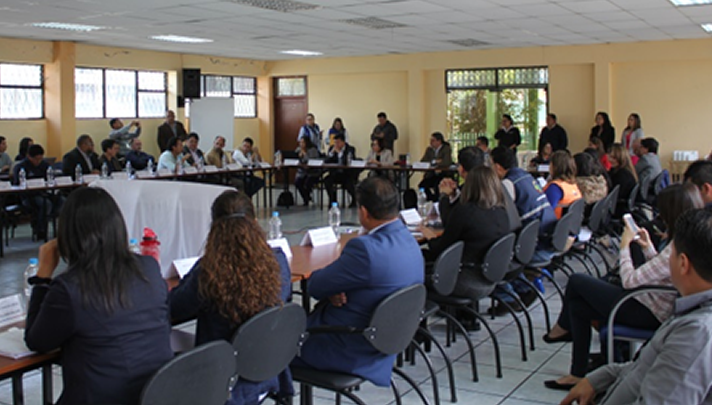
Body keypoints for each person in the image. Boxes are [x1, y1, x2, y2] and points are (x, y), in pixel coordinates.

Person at [544, 183, 702, 391]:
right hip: (648, 301)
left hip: (648, 310)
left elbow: (630, 281)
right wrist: (648, 247)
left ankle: (562, 330)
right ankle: (576, 373)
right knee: (577, 307)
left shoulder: (677, 246)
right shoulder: (687, 241)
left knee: (577, 281)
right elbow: (662, 271)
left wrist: (624, 246)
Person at [24, 188, 173, 405]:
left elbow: (37, 341)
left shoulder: (70, 288)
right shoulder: (148, 267)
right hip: (153, 395)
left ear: (68, 236)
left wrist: (42, 276)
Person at [292, 177, 424, 387]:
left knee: (274, 346)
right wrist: (335, 288)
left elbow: (314, 286)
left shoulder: (364, 249)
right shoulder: (409, 238)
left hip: (348, 346)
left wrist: (332, 286)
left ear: (363, 212)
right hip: (389, 339)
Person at [169, 190, 293, 404]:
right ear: (255, 223)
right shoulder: (278, 262)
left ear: (214, 229)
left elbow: (175, 307)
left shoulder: (209, 272)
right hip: (267, 371)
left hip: (222, 381)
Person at [421, 166, 511, 300]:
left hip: (463, 280)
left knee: (417, 265)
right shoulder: (502, 213)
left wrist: (430, 238)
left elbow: (441, 249)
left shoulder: (466, 212)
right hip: (489, 278)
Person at [491, 146, 558, 314]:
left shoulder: (508, 184)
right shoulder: (527, 176)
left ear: (498, 167)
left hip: (535, 245)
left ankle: (509, 299)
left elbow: (502, 216)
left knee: (494, 257)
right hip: (546, 237)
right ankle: (524, 289)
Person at [12, 145, 58, 239]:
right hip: (28, 196)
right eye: (36, 159)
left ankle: (54, 226)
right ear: (29, 157)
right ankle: (40, 229)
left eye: (41, 159)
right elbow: (17, 184)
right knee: (45, 204)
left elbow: (51, 179)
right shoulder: (20, 167)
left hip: (44, 193)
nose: (38, 161)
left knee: (62, 201)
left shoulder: (45, 165)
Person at [544, 150, 582, 218]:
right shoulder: (573, 185)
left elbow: (546, 211)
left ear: (555, 167)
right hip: (571, 223)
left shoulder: (555, 188)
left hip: (554, 222)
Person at [324, 133, 357, 208]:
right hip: (336, 173)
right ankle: (333, 200)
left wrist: (340, 153)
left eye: (338, 142)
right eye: (335, 142)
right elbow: (326, 161)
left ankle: (354, 200)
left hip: (347, 173)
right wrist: (331, 153)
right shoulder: (332, 148)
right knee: (327, 181)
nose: (336, 144)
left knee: (349, 183)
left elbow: (348, 162)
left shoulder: (350, 149)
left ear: (343, 142)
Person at [418, 132, 453, 201]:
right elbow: (423, 161)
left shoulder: (446, 149)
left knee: (437, 186)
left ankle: (438, 200)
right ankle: (431, 198)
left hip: (443, 174)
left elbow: (446, 162)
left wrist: (435, 163)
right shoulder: (429, 149)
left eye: (433, 140)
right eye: (430, 140)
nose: (431, 142)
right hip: (431, 174)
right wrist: (435, 161)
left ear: (439, 141)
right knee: (422, 185)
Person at [608, 143, 639, 217]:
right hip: (623, 206)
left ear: (621, 158)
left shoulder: (622, 175)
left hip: (617, 209)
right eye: (610, 156)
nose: (610, 160)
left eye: (614, 158)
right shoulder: (627, 170)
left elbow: (613, 195)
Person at [295, 137, 320, 206]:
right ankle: (307, 198)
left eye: (303, 142)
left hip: (313, 172)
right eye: (300, 142)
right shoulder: (298, 149)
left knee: (307, 182)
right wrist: (298, 157)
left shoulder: (313, 150)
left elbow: (311, 161)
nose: (301, 144)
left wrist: (305, 154)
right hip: (303, 172)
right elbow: (296, 159)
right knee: (298, 182)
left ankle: (307, 199)